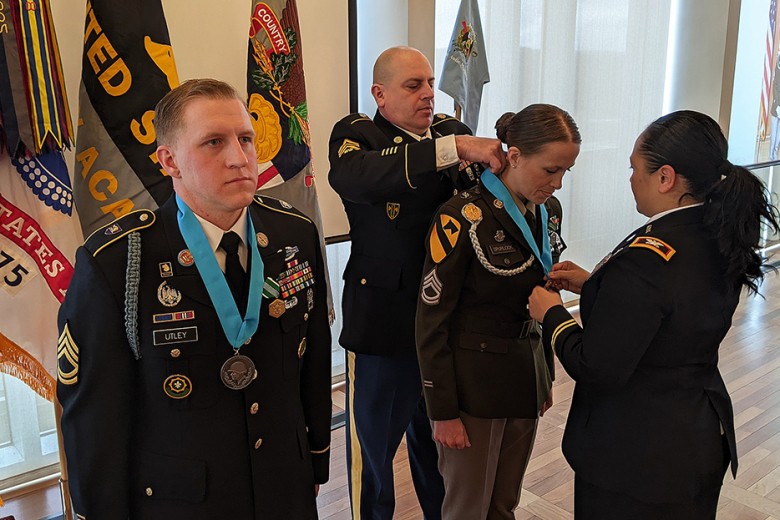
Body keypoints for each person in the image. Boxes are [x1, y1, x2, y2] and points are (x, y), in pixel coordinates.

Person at [57, 79, 332, 519]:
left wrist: (317, 455)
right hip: (181, 502)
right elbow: (95, 419)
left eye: (246, 138)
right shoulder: (117, 261)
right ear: (170, 161)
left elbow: (313, 358)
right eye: (213, 142)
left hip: (285, 486)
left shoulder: (292, 233)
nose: (240, 159)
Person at [528, 110, 780, 519]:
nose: (630, 178)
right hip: (695, 436)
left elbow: (598, 367)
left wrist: (552, 315)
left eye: (634, 168)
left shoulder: (649, 259)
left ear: (665, 177)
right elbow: (672, 311)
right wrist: (596, 284)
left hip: (636, 457)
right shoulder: (718, 234)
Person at [328, 46, 505, 520]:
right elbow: (355, 178)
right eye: (414, 86)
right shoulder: (357, 134)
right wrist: (457, 150)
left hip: (450, 323)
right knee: (376, 457)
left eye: (430, 83)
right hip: (387, 322)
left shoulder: (451, 128)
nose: (429, 94)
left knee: (438, 450)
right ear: (379, 95)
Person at [416, 105, 581, 520]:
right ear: (514, 156)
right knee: (467, 509)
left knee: (504, 505)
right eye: (550, 170)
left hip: (521, 381)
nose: (557, 183)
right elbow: (431, 320)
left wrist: (542, 376)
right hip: (472, 391)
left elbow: (538, 303)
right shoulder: (462, 216)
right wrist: (443, 411)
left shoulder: (546, 212)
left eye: (565, 172)